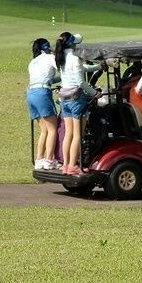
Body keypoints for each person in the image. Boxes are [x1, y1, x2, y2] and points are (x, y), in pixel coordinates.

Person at [54, 31, 102, 175]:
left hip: (65, 99)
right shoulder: (75, 58)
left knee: (68, 134)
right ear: (72, 44)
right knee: (77, 135)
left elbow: (81, 69)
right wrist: (95, 93)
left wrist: (98, 67)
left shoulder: (62, 58)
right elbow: (80, 82)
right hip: (76, 99)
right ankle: (73, 165)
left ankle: (66, 166)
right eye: (76, 42)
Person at [27, 38, 60, 170]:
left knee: (44, 130)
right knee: (53, 129)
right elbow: (63, 69)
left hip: (31, 94)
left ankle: (39, 159)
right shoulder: (50, 57)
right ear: (46, 47)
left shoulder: (33, 61)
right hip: (42, 93)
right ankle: (49, 159)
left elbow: (48, 78)